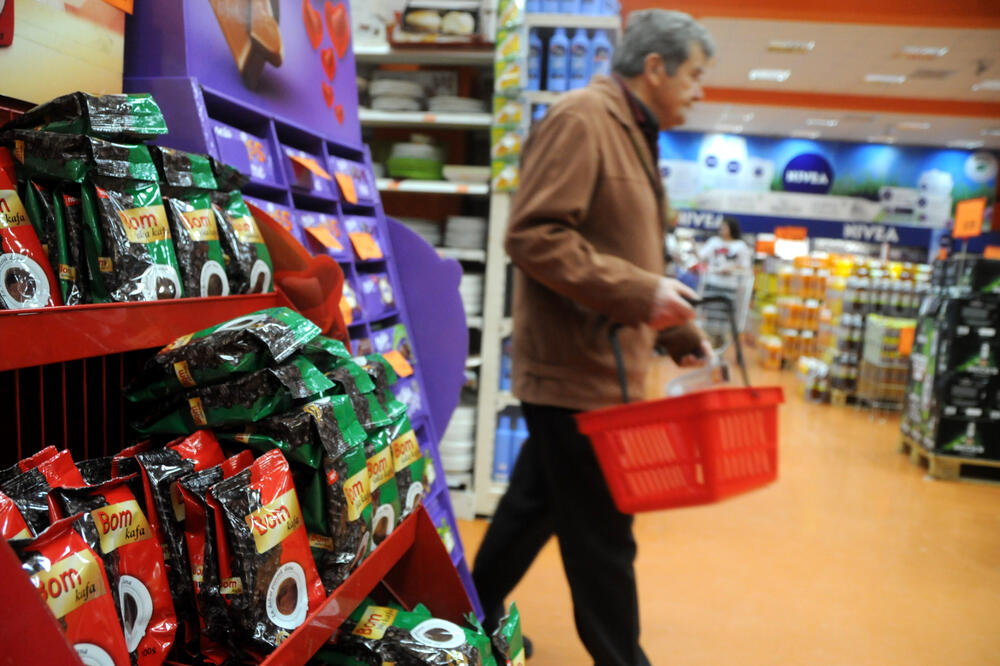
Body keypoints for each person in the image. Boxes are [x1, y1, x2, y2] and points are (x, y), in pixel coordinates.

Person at [471, 10, 715, 666]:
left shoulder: (633, 130)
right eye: (694, 74)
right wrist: (643, 297)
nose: (700, 89)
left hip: (604, 367)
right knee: (605, 539)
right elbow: (533, 235)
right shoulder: (584, 119)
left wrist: (678, 333)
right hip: (579, 373)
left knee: (533, 508)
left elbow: (624, 252)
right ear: (656, 67)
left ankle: (462, 616)